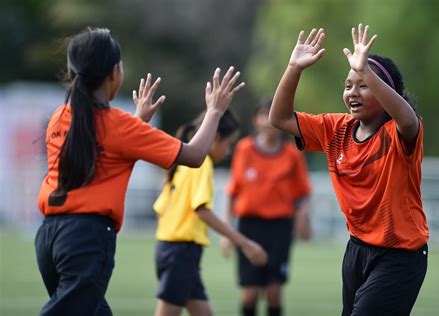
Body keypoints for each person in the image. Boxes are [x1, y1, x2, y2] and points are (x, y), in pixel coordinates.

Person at [35, 27, 245, 316]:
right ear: (114, 74)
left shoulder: (59, 117)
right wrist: (214, 112)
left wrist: (137, 122)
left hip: (49, 237)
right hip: (85, 239)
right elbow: (195, 155)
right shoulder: (120, 126)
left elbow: (101, 155)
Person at [268, 24, 429, 315]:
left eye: (363, 85)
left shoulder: (399, 132)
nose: (353, 91)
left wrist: (365, 69)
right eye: (348, 85)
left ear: (385, 92)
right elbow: (279, 118)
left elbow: (407, 118)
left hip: (400, 256)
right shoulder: (335, 128)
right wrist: (293, 68)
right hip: (357, 250)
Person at [152, 110, 268, 316]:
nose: (229, 150)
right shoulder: (200, 162)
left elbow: (161, 209)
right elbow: (202, 211)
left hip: (174, 250)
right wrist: (244, 242)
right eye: (229, 143)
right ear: (215, 138)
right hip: (180, 252)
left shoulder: (184, 159)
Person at [221, 98, 312, 316]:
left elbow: (304, 194)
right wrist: (227, 232)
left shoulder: (292, 155)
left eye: (275, 114)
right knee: (250, 293)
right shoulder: (244, 150)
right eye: (264, 114)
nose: (269, 120)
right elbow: (232, 192)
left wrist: (302, 219)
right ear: (256, 120)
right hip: (249, 228)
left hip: (280, 228)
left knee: (273, 291)